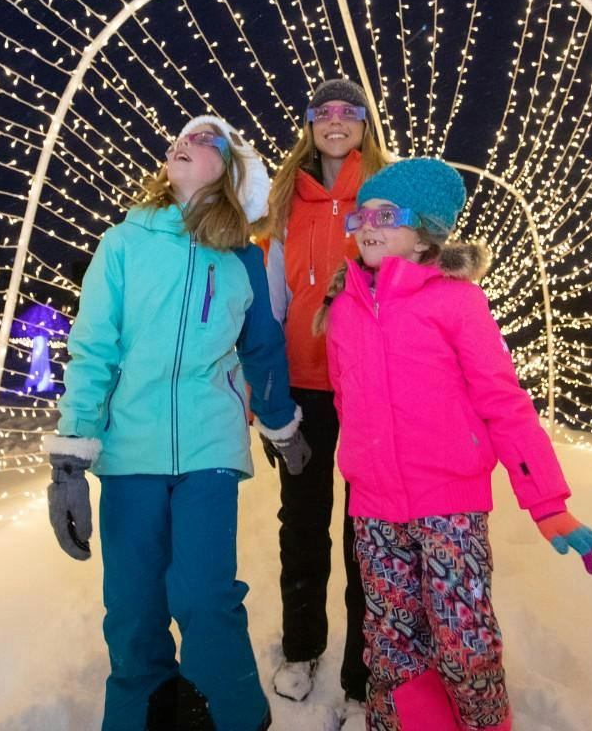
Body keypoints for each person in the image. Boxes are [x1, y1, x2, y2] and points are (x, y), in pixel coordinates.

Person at [317, 158, 592, 730]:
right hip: (374, 508)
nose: (369, 225)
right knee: (390, 645)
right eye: (362, 214)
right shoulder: (346, 307)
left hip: (448, 504)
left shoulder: (456, 302)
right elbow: (344, 398)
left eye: (388, 214)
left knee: (464, 643)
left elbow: (503, 403)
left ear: (426, 230)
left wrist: (548, 503)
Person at [45, 115, 313, 731]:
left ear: (231, 173)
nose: (182, 143)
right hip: (129, 449)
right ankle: (145, 713)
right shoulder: (124, 243)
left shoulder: (243, 257)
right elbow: (94, 348)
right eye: (180, 138)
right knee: (133, 609)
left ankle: (236, 714)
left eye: (204, 140)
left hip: (209, 448)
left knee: (203, 597)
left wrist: (281, 425)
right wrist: (69, 461)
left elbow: (262, 348)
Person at [260, 79, 390, 722]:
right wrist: (270, 395)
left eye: (348, 112)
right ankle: (303, 646)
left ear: (365, 124)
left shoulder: (384, 192)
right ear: (309, 124)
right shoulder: (287, 201)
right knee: (302, 521)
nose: (335, 122)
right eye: (323, 113)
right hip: (304, 385)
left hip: (368, 386)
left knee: (367, 528)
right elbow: (271, 302)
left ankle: (365, 670)